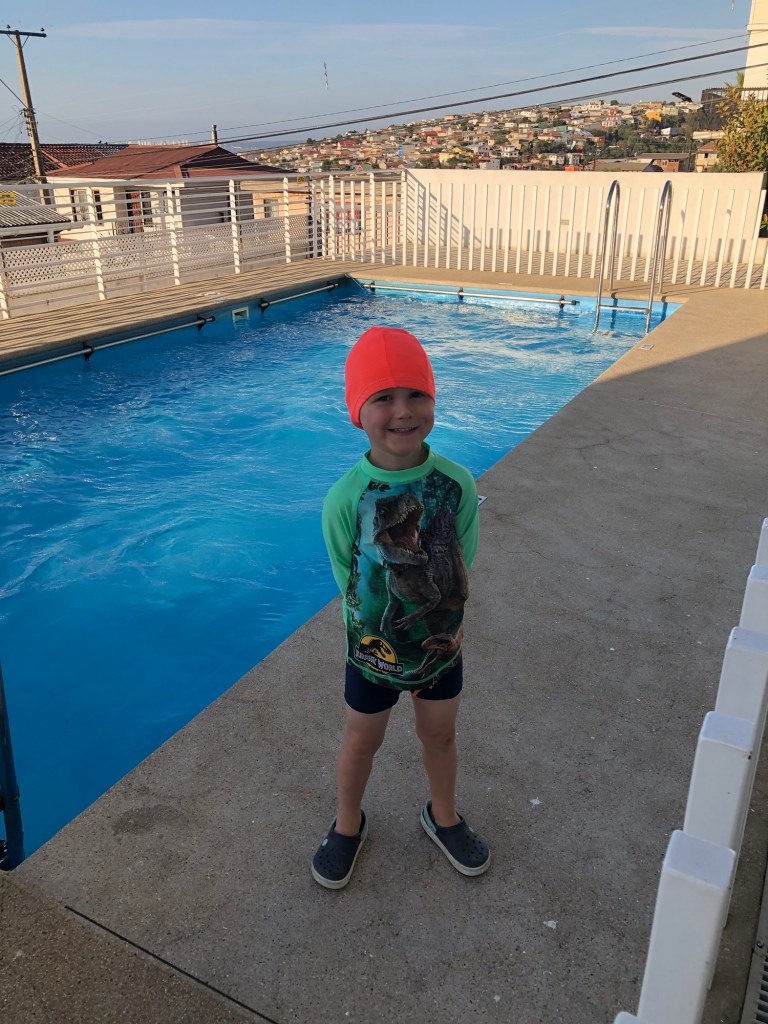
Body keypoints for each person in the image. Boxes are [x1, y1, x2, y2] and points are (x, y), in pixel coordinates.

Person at [311, 325, 490, 889]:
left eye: (416, 394)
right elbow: (347, 577)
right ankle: (347, 823)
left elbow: (461, 562)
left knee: (440, 735)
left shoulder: (456, 484)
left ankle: (443, 815)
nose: (403, 411)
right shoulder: (345, 498)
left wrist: (444, 622)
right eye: (383, 397)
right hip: (372, 652)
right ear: (358, 412)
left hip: (440, 646)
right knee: (361, 740)